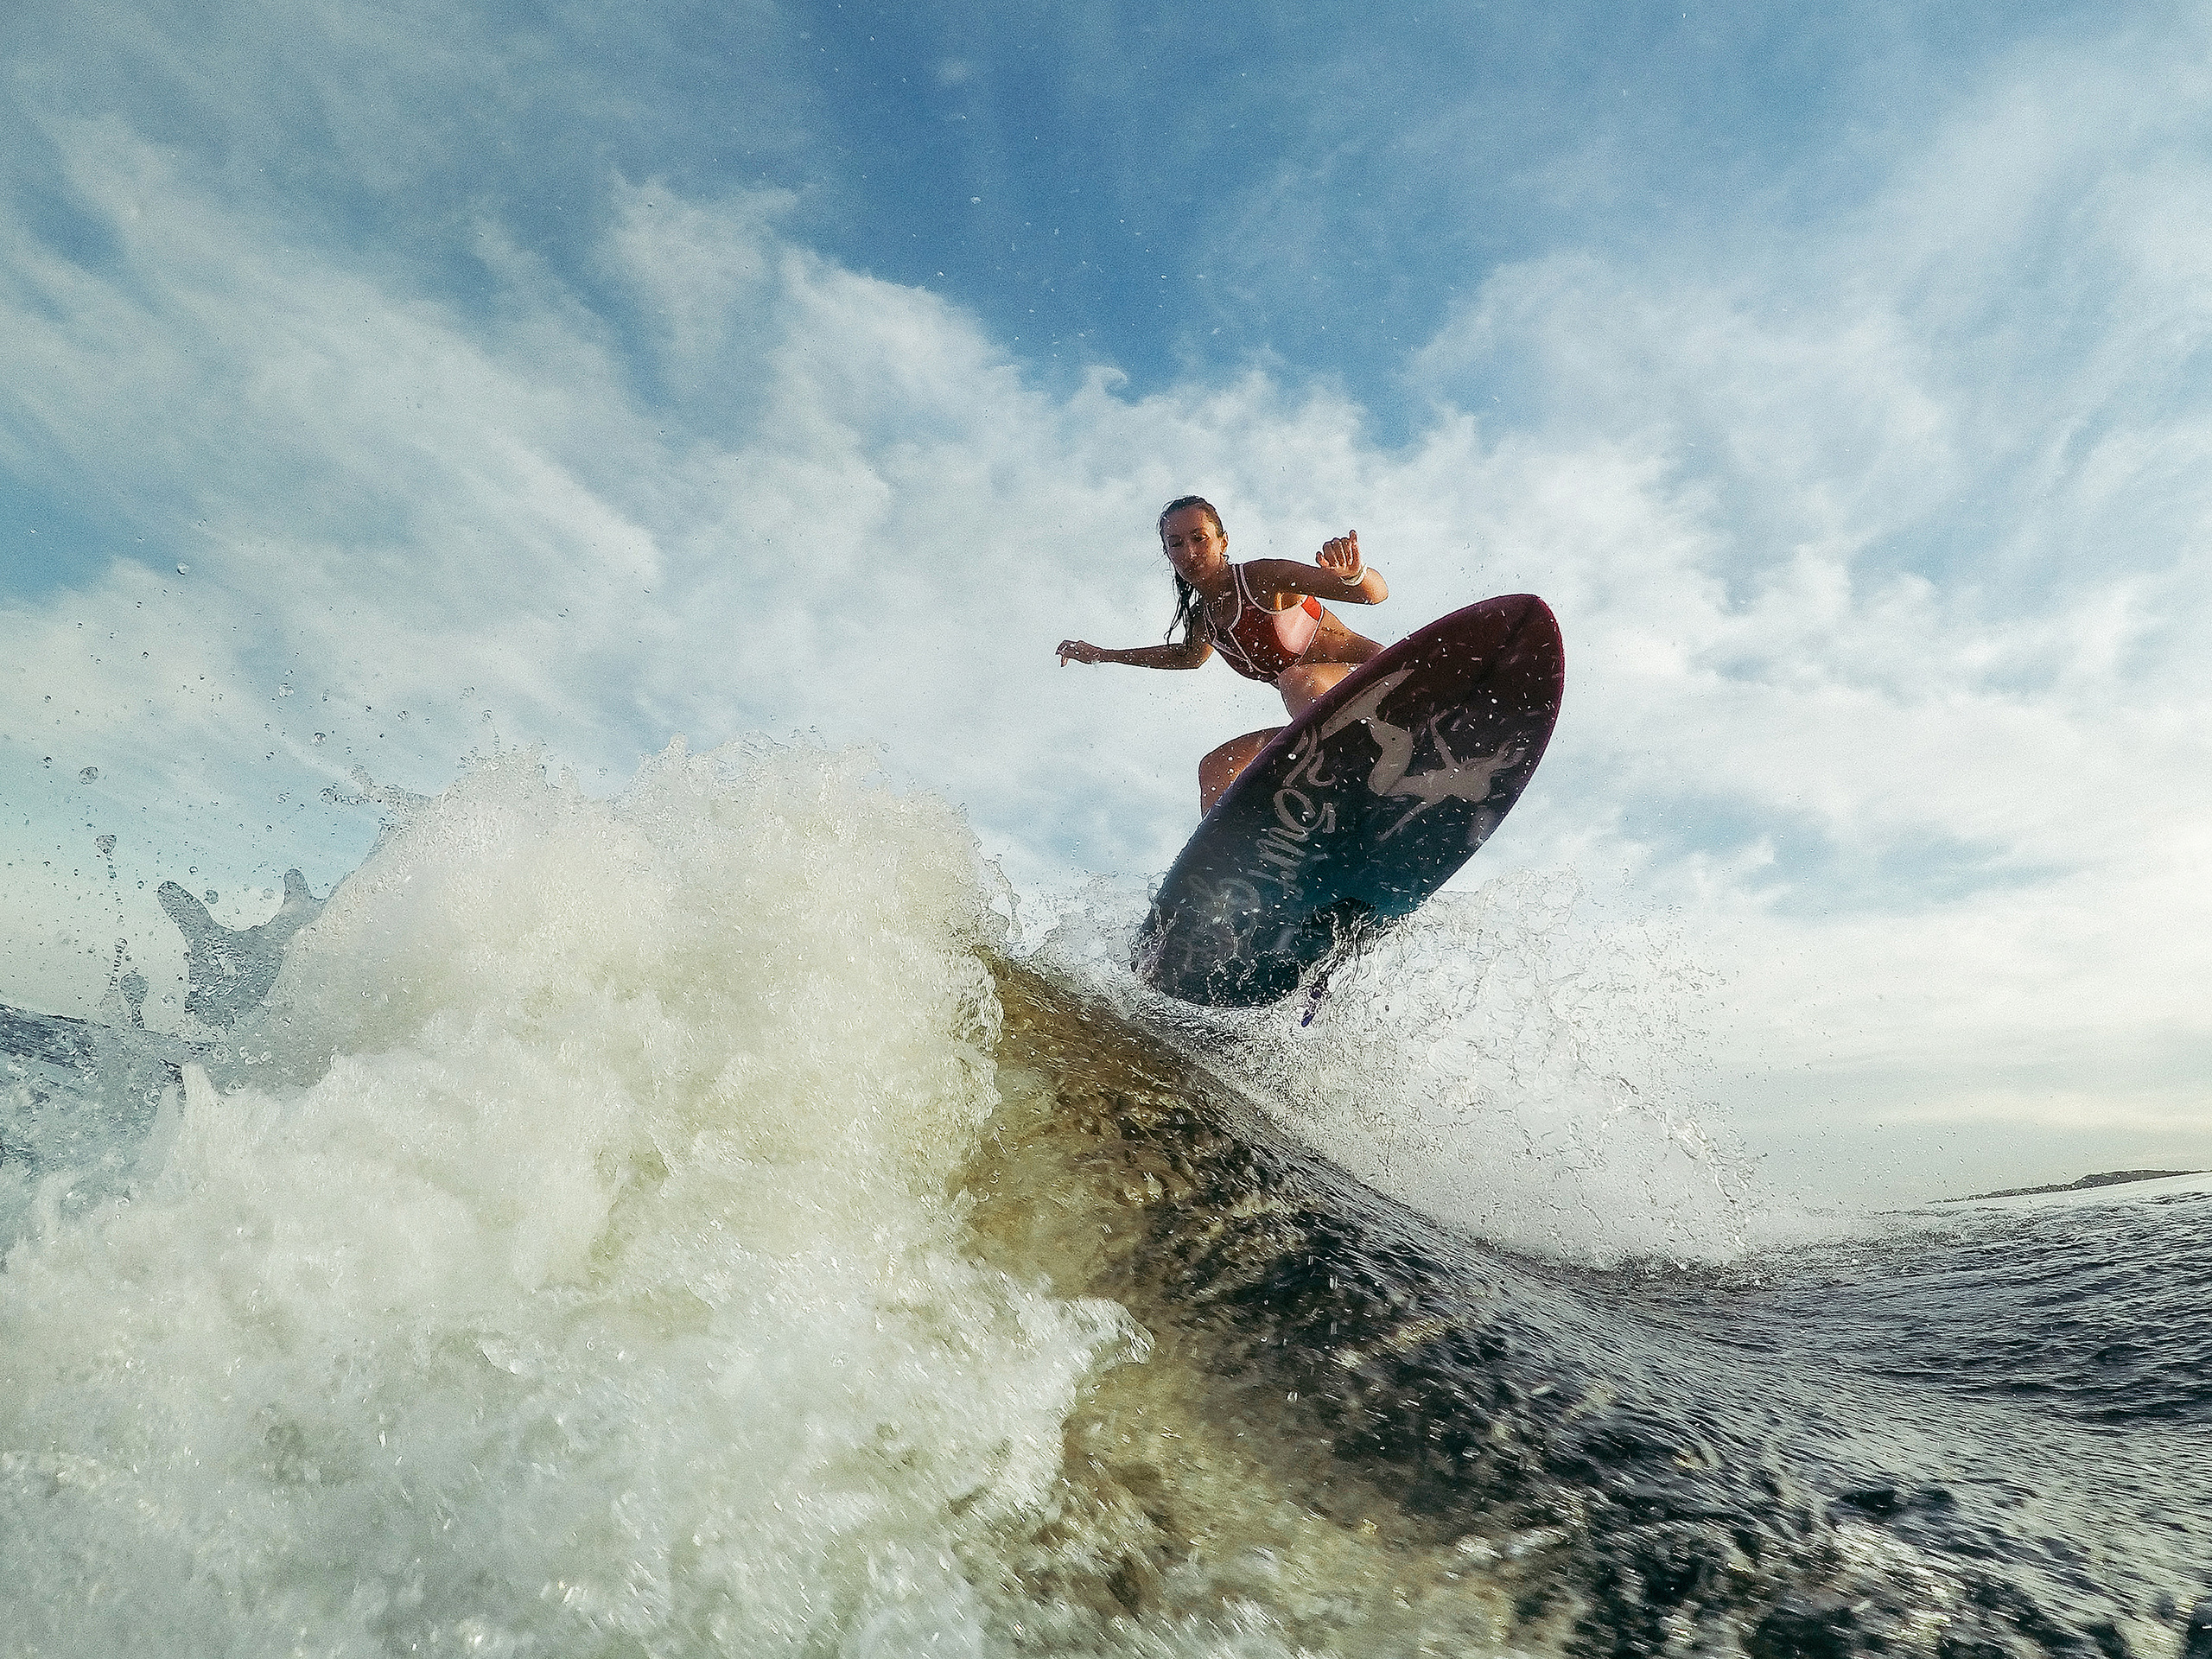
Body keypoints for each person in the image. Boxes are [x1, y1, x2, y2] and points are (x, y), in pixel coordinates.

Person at [1058, 495, 1390, 813]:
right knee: (1217, 768)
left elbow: (1374, 594)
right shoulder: (1205, 622)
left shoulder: (1263, 580)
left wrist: (1354, 573)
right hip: (1326, 728)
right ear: (1168, 554)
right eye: (1176, 544)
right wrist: (1103, 654)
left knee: (1296, 679)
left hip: (1389, 685)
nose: (1189, 552)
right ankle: (1237, 860)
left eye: (1199, 538)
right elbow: (1185, 657)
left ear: (1223, 541)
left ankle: (1349, 779)